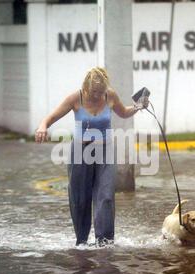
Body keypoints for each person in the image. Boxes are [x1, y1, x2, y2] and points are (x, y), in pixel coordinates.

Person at [35, 67, 148, 247]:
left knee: (106, 196)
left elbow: (124, 113)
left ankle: (104, 242)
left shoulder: (110, 95)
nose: (97, 95)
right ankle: (81, 241)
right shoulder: (75, 98)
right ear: (86, 87)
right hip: (80, 152)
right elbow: (50, 117)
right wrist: (42, 127)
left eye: (100, 92)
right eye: (94, 92)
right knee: (80, 198)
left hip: (105, 151)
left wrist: (138, 106)